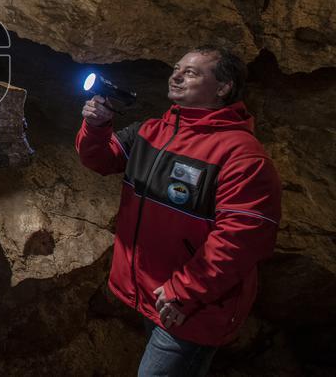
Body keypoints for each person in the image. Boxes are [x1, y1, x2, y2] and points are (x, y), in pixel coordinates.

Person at [75, 46, 281, 377]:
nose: (176, 75)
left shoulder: (241, 156)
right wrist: (98, 126)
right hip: (154, 294)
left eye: (192, 72)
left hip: (191, 307)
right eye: (176, 67)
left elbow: (240, 240)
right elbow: (99, 159)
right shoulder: (151, 131)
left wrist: (182, 291)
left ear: (224, 87)